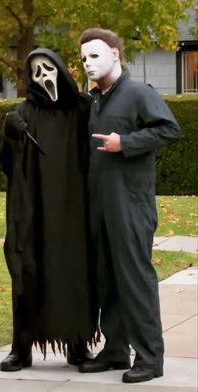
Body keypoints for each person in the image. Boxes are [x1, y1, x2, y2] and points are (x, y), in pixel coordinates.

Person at [78, 28, 181, 383]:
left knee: (135, 280)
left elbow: (170, 129)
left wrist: (128, 142)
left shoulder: (138, 93)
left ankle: (151, 358)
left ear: (115, 54)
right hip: (99, 204)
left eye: (94, 55)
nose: (88, 63)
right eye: (83, 58)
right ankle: (116, 350)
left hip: (130, 205)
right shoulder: (94, 100)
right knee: (107, 279)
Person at [0, 47, 98, 372]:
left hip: (73, 207)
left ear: (60, 70)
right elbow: (5, 164)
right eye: (36, 70)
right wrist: (9, 137)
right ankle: (21, 348)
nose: (43, 76)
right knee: (29, 272)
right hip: (35, 208)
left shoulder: (81, 108)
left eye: (48, 68)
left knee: (75, 271)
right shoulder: (23, 112)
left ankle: (78, 344)